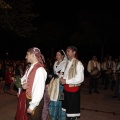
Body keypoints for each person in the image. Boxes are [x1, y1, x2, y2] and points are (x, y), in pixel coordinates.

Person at [15, 47, 47, 120]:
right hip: (29, 99)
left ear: (33, 55)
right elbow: (27, 81)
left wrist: (32, 106)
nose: (26, 57)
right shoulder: (31, 68)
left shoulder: (40, 70)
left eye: (27, 54)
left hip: (35, 102)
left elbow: (39, 90)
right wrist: (22, 85)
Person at [60, 46, 84, 120]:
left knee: (72, 113)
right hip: (65, 90)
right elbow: (63, 73)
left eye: (69, 51)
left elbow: (80, 79)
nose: (67, 53)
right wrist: (61, 76)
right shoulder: (67, 62)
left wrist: (66, 81)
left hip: (73, 91)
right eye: (67, 51)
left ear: (74, 52)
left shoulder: (78, 63)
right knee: (67, 110)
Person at [48, 49, 67, 120]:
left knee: (61, 99)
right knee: (54, 99)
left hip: (61, 85)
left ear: (62, 56)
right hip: (54, 84)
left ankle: (61, 117)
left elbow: (65, 74)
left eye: (59, 55)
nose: (57, 56)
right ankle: (53, 117)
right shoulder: (55, 63)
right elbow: (54, 73)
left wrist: (60, 75)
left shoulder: (65, 63)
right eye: (56, 55)